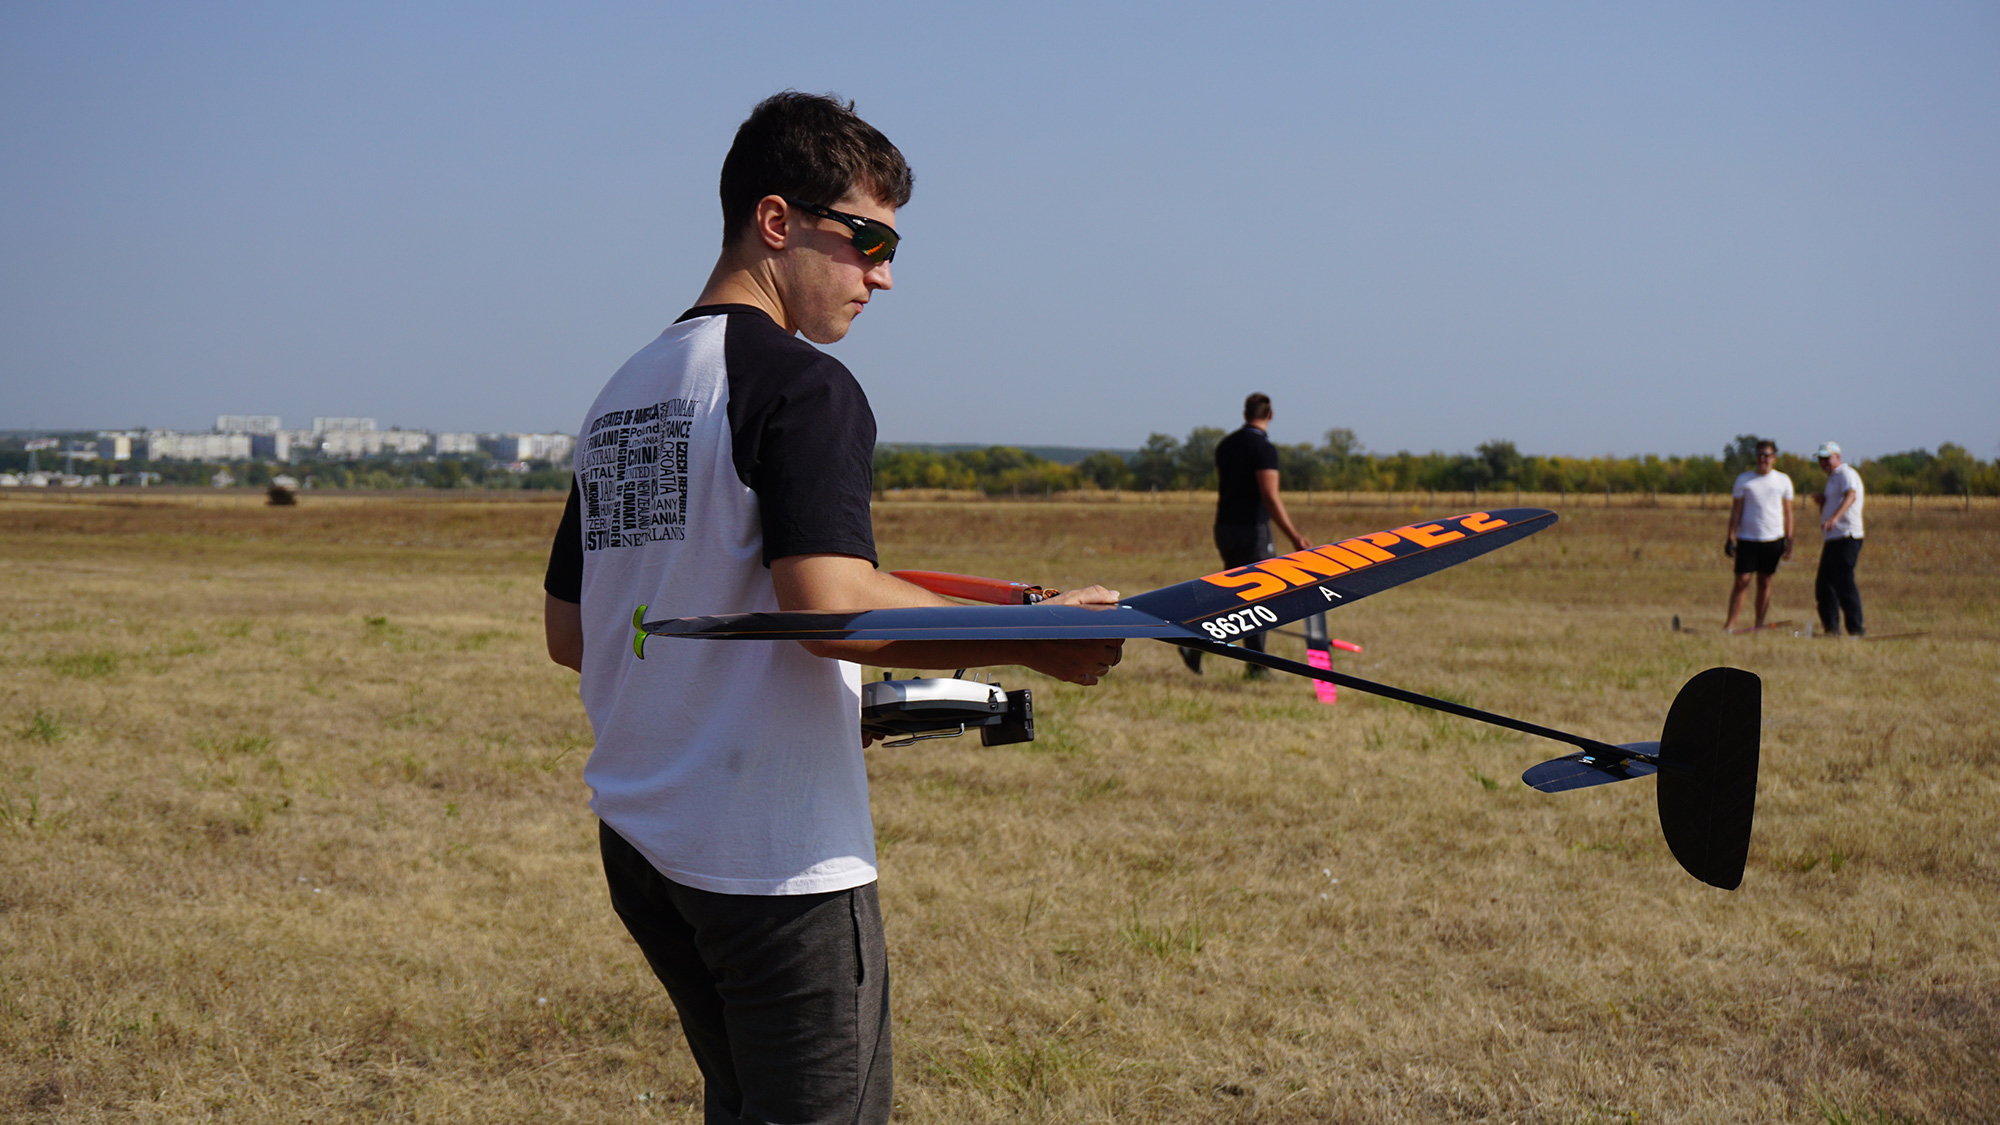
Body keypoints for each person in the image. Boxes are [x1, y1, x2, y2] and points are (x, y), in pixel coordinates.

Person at [540, 92, 1125, 1125]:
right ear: (776, 221)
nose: (883, 274)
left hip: (644, 846)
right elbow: (828, 607)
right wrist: (1039, 638)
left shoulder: (625, 393)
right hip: (773, 863)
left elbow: (574, 630)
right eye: (868, 240)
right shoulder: (805, 387)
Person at [1180, 393, 1310, 675]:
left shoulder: (1226, 445)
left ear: (1245, 413)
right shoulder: (1264, 449)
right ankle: (1256, 666)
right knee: (1260, 594)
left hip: (1225, 527)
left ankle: (1198, 642)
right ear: (1270, 415)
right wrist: (1294, 536)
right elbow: (1269, 496)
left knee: (1234, 594)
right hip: (1252, 529)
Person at [1722, 439, 1794, 631]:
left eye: (1767, 455)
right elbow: (1736, 511)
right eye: (1760, 455)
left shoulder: (1783, 481)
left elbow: (1788, 513)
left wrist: (1790, 541)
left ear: (1774, 458)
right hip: (1748, 538)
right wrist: (1730, 537)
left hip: (1773, 539)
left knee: (1765, 581)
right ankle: (1730, 625)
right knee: (1742, 580)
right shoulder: (1744, 480)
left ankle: (1759, 625)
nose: (1763, 459)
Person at [1810, 440, 1865, 636]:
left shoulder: (1845, 473)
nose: (1824, 463)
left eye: (1827, 458)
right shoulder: (1832, 479)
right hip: (1833, 538)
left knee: (1844, 582)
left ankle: (1856, 629)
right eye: (1821, 459)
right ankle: (1831, 629)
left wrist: (1835, 518)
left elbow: (1851, 495)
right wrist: (1823, 503)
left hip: (1847, 536)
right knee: (1824, 584)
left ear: (1838, 457)